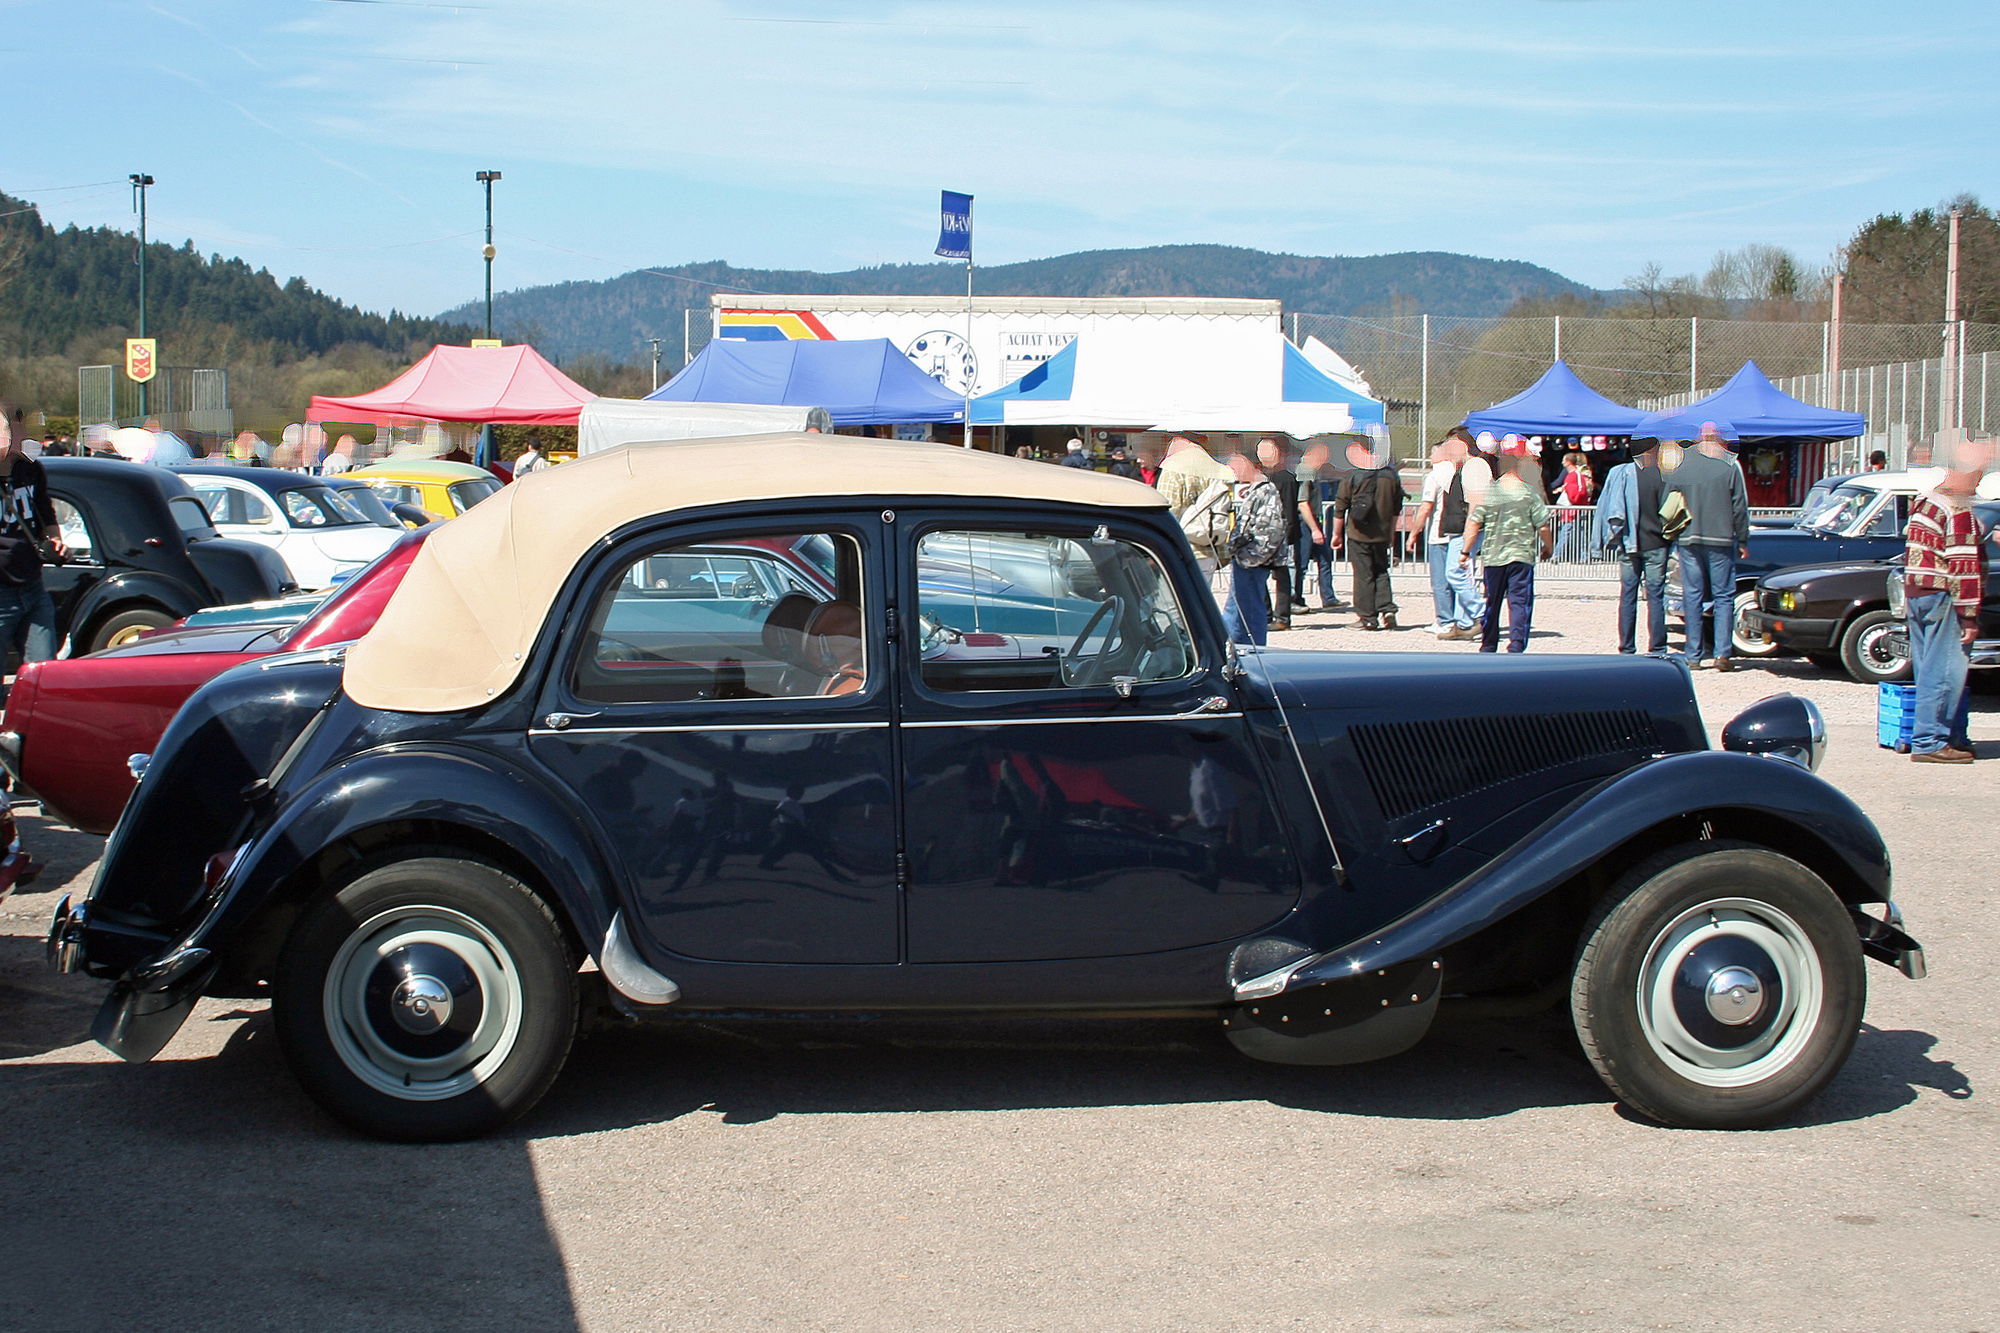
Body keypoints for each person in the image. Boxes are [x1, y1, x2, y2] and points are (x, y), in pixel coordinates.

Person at [1902, 443, 1989, 763]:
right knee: (1945, 673)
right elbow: (1962, 564)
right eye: (1977, 475)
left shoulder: (1926, 501)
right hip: (1944, 597)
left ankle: (1937, 735)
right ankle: (1930, 741)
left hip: (1918, 592)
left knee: (1927, 670)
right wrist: (1969, 616)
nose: (1978, 483)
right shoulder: (1958, 507)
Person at [1665, 431, 1751, 670]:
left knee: (1692, 596)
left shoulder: (1681, 465)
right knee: (1723, 596)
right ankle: (1722, 654)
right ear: (1720, 441)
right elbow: (1739, 505)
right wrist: (1743, 538)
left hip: (1689, 538)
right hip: (1721, 538)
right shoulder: (1731, 465)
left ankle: (1693, 655)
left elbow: (1671, 502)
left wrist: (1674, 535)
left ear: (1697, 440)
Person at [1460, 444, 1551, 653]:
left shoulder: (1489, 492)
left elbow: (1474, 523)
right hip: (1521, 555)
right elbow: (1543, 525)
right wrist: (1549, 547)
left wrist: (1465, 551)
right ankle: (1517, 644)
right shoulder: (1529, 494)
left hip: (1494, 556)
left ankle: (1489, 643)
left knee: (1492, 601)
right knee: (1520, 602)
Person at [1593, 440, 1671, 654]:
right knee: (1656, 596)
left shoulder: (1624, 474)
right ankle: (1658, 646)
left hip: (1630, 543)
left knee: (1628, 595)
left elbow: (1609, 509)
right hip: (1657, 544)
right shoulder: (1665, 476)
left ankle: (1626, 646)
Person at [1415, 430, 1485, 639]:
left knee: (1455, 573)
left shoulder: (1475, 469)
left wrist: (1468, 536)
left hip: (1465, 530)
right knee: (1457, 574)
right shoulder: (1461, 469)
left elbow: (1475, 506)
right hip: (1457, 530)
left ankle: (1482, 612)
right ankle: (1463, 624)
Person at [1332, 439, 1403, 630]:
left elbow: (1340, 508)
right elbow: (1397, 509)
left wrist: (1336, 534)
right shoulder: (1391, 476)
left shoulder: (1352, 476)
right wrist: (1392, 534)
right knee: (1381, 571)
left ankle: (1367, 617)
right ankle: (1387, 609)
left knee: (1363, 575)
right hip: (1382, 533)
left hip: (1358, 533)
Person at [1221, 449, 1288, 646]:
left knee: (1249, 610)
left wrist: (1249, 557)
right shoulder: (1255, 491)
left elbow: (1271, 530)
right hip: (1247, 559)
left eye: (1237, 464)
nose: (1233, 469)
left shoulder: (1265, 490)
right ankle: (1232, 646)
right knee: (1237, 608)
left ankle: (1253, 650)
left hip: (1252, 561)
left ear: (1251, 464)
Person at [1256, 439, 1300, 630]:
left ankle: (1282, 617)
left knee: (1280, 575)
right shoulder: (1267, 477)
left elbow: (1288, 507)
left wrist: (1286, 533)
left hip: (1279, 532)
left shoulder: (1284, 477)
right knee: (1259, 572)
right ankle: (1266, 614)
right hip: (1265, 532)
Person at [1292, 441, 1341, 610]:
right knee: (1302, 563)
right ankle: (1296, 598)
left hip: (1313, 521)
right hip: (1306, 523)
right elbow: (1302, 503)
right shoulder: (1305, 473)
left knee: (1324, 559)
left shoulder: (1312, 473)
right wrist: (1314, 530)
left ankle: (1328, 597)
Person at [1156, 435, 1228, 518]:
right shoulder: (1215, 463)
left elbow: (1167, 513)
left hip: (1184, 529)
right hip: (1214, 526)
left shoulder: (1172, 466)